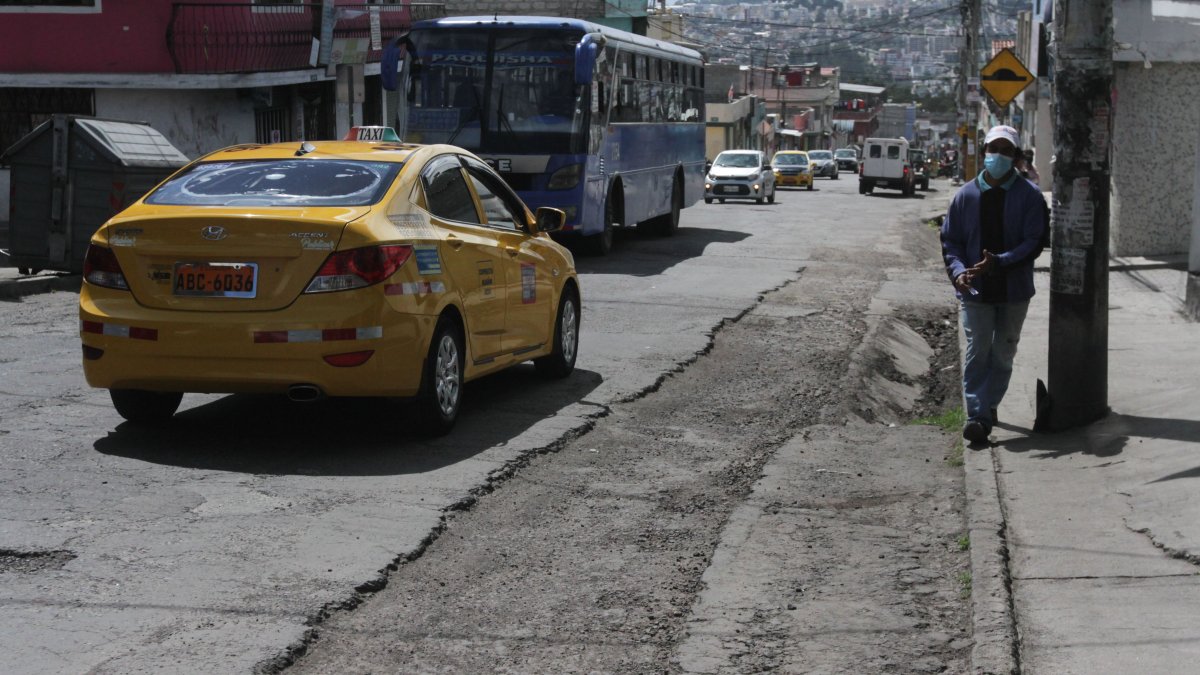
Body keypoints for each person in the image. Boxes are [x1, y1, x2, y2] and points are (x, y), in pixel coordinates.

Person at [940, 125, 1048, 444]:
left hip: (1014, 292)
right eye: (993, 148)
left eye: (1006, 150)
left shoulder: (1029, 196)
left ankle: (988, 405)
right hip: (974, 291)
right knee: (977, 351)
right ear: (985, 151)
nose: (998, 155)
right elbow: (951, 241)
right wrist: (959, 271)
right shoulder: (965, 195)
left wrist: (999, 261)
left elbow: (1034, 241)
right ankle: (978, 417)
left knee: (1002, 353)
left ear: (1015, 157)